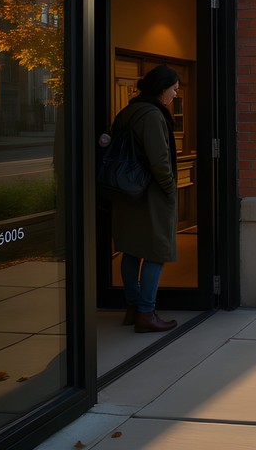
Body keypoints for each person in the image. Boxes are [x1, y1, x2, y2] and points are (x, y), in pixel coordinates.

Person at [111, 65, 180, 333]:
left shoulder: (127, 111)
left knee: (131, 250)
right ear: (162, 89)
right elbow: (160, 160)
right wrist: (170, 189)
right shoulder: (152, 115)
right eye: (174, 88)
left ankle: (132, 307)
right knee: (155, 252)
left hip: (127, 191)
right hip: (150, 193)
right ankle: (146, 312)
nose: (175, 93)